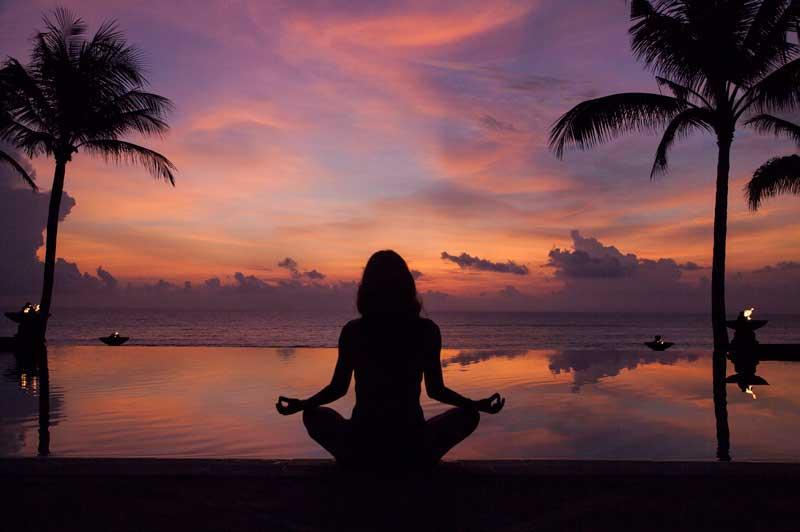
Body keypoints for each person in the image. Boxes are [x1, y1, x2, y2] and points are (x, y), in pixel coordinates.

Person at [276, 250, 505, 470]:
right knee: (468, 416)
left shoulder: (354, 331)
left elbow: (338, 388)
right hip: (412, 442)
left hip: (362, 441)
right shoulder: (426, 331)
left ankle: (360, 462)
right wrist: (475, 405)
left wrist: (303, 405)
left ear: (367, 289)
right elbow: (436, 390)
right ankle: (413, 463)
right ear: (407, 287)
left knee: (314, 415)